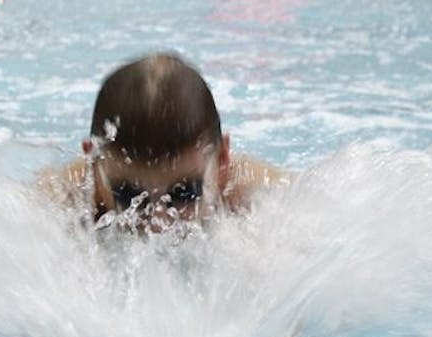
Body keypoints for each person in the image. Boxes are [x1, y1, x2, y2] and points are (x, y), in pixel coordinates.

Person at [39, 53, 285, 229]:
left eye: (184, 193)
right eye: (129, 195)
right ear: (94, 165)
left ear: (222, 162)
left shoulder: (263, 197)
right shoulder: (59, 201)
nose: (158, 222)